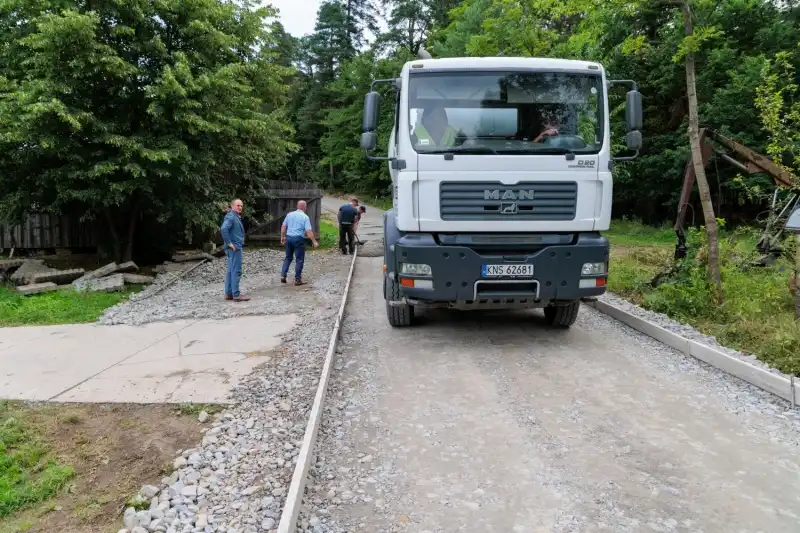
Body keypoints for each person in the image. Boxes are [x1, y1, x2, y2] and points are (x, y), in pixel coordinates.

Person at [280, 200, 319, 285]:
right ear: (305, 207)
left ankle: (283, 275)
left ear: (297, 206)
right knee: (299, 259)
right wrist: (314, 241)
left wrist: (283, 237)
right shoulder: (305, 217)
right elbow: (308, 231)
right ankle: (298, 280)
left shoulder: (289, 215)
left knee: (288, 258)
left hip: (289, 238)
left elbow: (283, 227)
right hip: (298, 239)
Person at [220, 198, 249, 302]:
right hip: (234, 248)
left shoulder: (235, 216)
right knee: (236, 270)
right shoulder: (231, 216)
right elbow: (224, 229)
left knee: (230, 270)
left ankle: (229, 293)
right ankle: (236, 294)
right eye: (238, 205)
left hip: (234, 247)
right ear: (232, 206)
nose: (240, 207)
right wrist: (229, 243)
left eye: (241, 206)